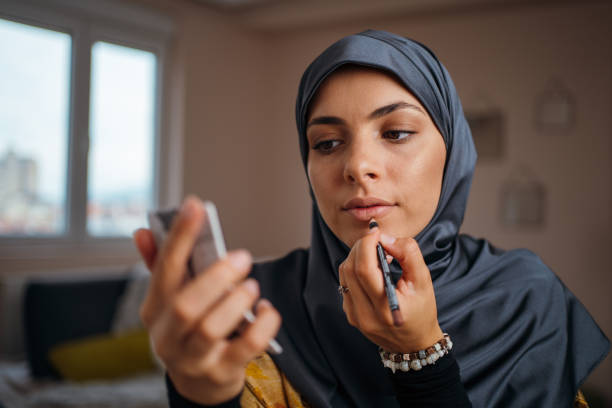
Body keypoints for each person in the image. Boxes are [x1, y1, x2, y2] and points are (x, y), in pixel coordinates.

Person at [133, 30, 609, 407]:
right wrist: (200, 393)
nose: (357, 165)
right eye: (326, 143)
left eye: (396, 132)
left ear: (454, 153)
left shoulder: (524, 297)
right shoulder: (255, 305)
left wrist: (420, 358)